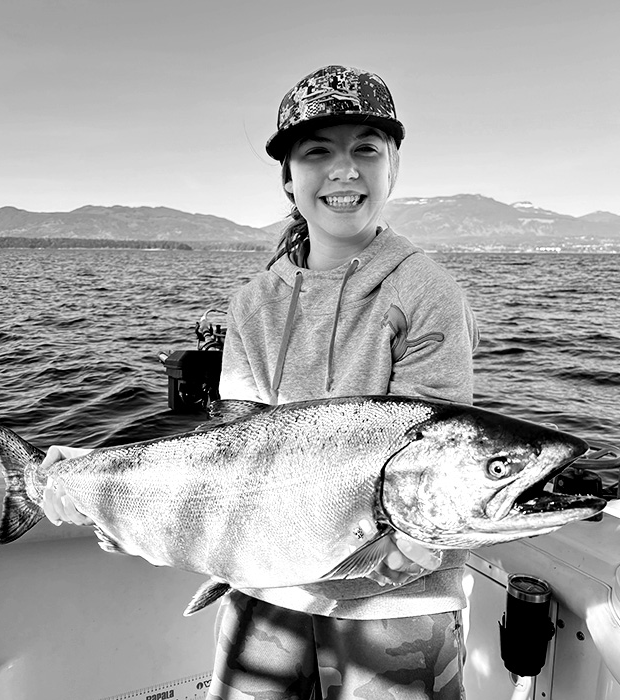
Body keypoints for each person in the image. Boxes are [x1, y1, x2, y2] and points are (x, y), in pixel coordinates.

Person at [41, 65, 479, 699]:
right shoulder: (253, 304)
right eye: (317, 151)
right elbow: (233, 450)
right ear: (288, 175)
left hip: (395, 611)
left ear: (393, 164)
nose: (344, 169)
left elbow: (436, 463)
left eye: (366, 149)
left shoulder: (425, 292)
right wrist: (95, 479)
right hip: (264, 591)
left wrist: (416, 541)